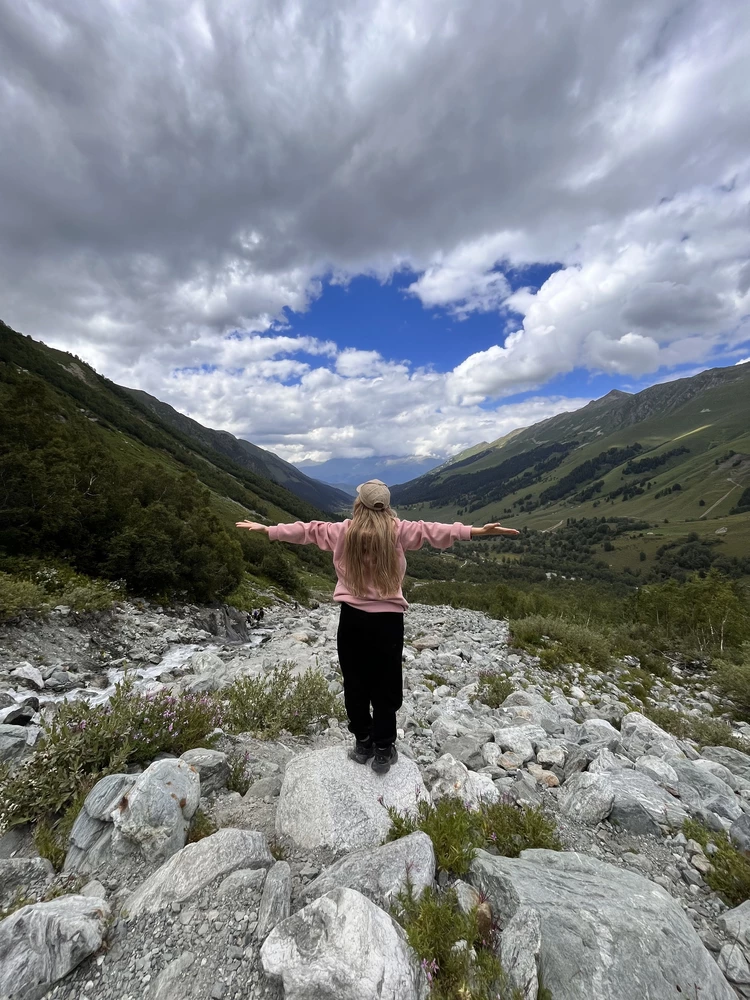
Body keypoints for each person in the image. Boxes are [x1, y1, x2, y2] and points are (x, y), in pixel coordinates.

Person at [236, 480, 520, 775]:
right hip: (388, 622)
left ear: (358, 504)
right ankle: (384, 749)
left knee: (355, 683)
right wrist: (475, 531)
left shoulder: (344, 531)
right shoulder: (397, 530)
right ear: (386, 506)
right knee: (386, 685)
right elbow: (434, 530)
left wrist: (269, 530)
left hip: (352, 620)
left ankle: (362, 742)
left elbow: (308, 530)